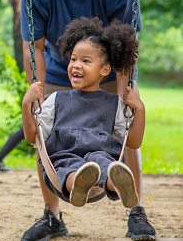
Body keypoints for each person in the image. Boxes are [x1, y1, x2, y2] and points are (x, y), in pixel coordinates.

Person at [16, 0, 156, 241]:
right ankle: (52, 217)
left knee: (122, 124)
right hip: (57, 66)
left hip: (109, 64)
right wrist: (35, 93)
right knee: (47, 134)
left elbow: (125, 45)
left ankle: (135, 212)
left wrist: (124, 96)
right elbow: (32, 46)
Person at [23, 17, 144, 211]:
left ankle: (120, 185)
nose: (76, 65)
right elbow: (32, 137)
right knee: (68, 167)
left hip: (99, 153)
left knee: (104, 163)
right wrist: (26, 104)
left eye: (85, 61)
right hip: (64, 154)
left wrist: (140, 110)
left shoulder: (113, 104)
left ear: (105, 70)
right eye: (73, 59)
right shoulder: (56, 99)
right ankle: (79, 185)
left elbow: (134, 142)